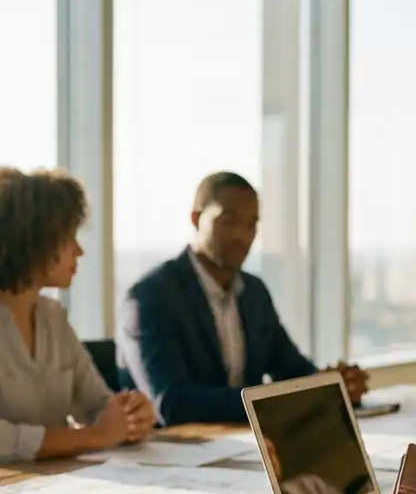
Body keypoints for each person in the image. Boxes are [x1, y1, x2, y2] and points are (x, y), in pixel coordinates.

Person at [118, 172, 369, 426]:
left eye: (252, 224)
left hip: (247, 446)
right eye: (228, 221)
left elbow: (293, 370)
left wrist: (334, 387)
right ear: (195, 219)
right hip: (175, 456)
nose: (242, 235)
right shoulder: (150, 298)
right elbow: (172, 404)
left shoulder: (253, 292)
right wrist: (276, 401)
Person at [0, 167, 156, 462]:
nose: (80, 251)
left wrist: (130, 415)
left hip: (55, 487)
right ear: (33, 241)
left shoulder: (53, 317)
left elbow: (96, 402)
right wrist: (95, 436)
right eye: (69, 238)